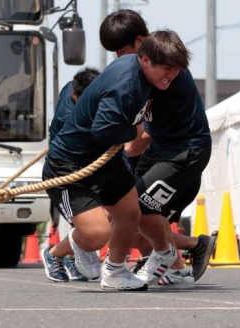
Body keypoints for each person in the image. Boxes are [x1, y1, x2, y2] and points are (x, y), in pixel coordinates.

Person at [41, 31, 188, 291]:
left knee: (130, 213)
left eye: (176, 70)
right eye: (167, 69)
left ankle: (115, 272)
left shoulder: (142, 69)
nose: (171, 75)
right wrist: (136, 131)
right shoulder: (126, 85)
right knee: (97, 234)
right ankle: (77, 245)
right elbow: (103, 130)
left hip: (107, 158)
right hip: (70, 164)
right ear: (145, 60)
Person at [100, 9, 214, 287]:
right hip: (162, 149)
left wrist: (120, 154)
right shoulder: (142, 71)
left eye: (122, 50)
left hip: (184, 152)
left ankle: (166, 256)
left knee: (137, 208)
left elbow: (141, 134)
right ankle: (180, 265)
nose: (118, 58)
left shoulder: (161, 70)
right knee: (134, 211)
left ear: (141, 43)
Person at [43, 66, 100, 282]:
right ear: (75, 97)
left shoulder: (73, 87)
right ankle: (55, 253)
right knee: (84, 224)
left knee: (103, 217)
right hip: (65, 171)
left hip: (92, 167)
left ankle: (71, 257)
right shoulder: (72, 118)